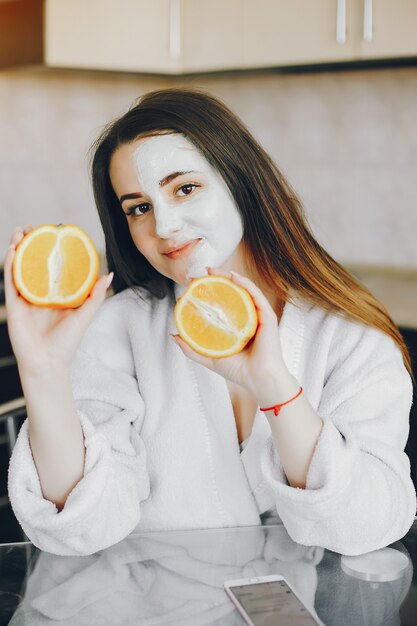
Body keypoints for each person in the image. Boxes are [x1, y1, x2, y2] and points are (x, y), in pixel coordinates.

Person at [5, 88, 416, 557]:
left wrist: (274, 386)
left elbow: (367, 525)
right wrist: (43, 375)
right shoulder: (118, 329)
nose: (163, 226)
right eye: (138, 208)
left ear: (242, 182)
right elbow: (80, 528)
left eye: (184, 188)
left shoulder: (353, 340)